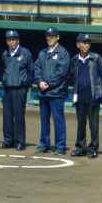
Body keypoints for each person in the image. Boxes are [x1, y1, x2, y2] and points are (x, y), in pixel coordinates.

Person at [33, 27, 70, 155]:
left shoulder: (63, 53)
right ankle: (44, 144)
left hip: (57, 92)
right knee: (44, 120)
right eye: (48, 36)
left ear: (57, 37)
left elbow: (62, 73)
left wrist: (47, 83)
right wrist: (39, 81)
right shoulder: (42, 52)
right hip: (44, 92)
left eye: (52, 36)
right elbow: (37, 68)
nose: (49, 38)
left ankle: (60, 146)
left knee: (58, 120)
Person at [69, 33, 102, 158]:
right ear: (78, 45)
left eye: (88, 43)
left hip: (93, 96)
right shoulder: (74, 59)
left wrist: (98, 91)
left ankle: (93, 148)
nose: (86, 45)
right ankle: (80, 147)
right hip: (79, 95)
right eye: (83, 43)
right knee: (81, 123)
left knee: (93, 124)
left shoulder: (96, 58)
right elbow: (72, 76)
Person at [0, 30, 33, 151]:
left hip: (19, 89)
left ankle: (20, 141)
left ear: (17, 40)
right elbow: (3, 69)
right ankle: (8, 140)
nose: (11, 42)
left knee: (19, 117)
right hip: (8, 89)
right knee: (7, 116)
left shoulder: (25, 53)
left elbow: (31, 71)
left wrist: (25, 85)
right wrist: (4, 81)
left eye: (13, 39)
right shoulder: (5, 54)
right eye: (9, 40)